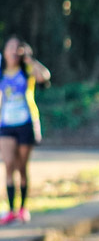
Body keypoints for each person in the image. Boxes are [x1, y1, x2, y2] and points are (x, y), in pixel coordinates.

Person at [0, 36, 50, 224]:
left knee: (22, 167)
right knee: (9, 164)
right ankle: (11, 209)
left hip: (26, 123)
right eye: (10, 47)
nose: (13, 51)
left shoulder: (27, 69)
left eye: (16, 48)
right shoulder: (1, 71)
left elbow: (44, 77)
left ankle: (23, 208)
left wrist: (29, 59)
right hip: (5, 124)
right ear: (4, 51)